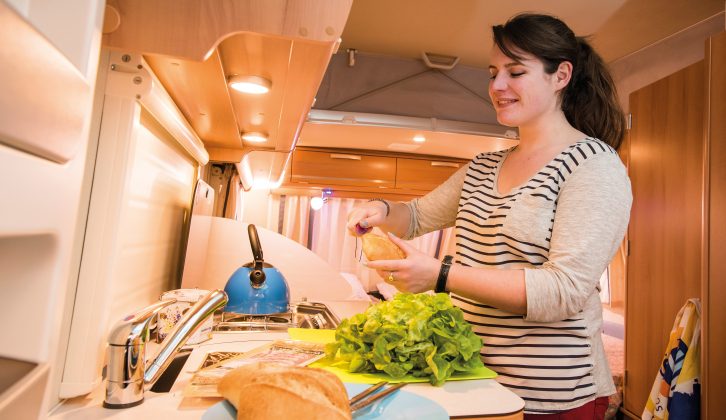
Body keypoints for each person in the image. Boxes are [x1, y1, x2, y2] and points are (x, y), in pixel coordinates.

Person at [346, 13, 631, 419]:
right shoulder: (483, 166)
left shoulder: (593, 166)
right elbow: (415, 216)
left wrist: (440, 275)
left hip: (553, 394)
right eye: (494, 73)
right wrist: (380, 210)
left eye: (515, 72)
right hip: (476, 381)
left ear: (561, 75)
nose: (497, 86)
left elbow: (563, 291)